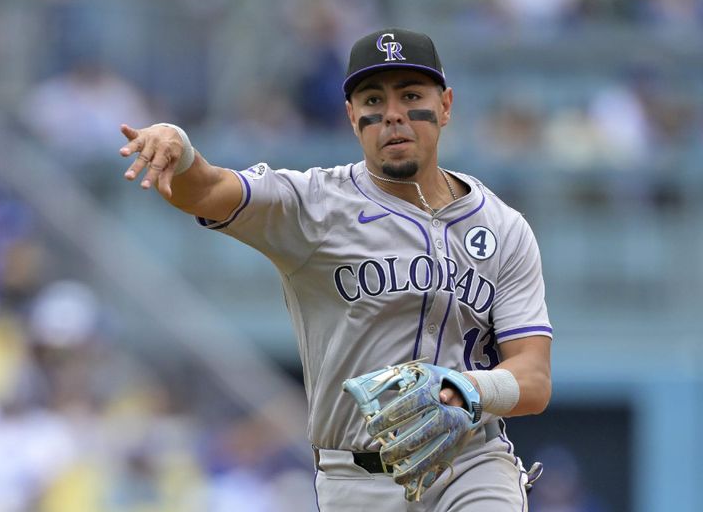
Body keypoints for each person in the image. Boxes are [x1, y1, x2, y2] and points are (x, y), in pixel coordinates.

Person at [119, 28, 553, 511]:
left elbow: (533, 380)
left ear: (446, 106)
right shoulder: (314, 205)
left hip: (470, 464)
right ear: (352, 116)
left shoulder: (503, 227)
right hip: (355, 479)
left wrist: (465, 387)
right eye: (373, 99)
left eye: (412, 96)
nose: (393, 114)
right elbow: (205, 190)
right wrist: (177, 147)